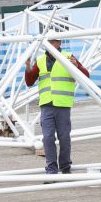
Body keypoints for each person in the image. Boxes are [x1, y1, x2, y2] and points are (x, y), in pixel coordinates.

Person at [23, 40, 88, 175]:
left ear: (59, 43)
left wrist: (76, 66)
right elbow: (30, 82)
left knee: (64, 137)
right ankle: (51, 168)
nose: (51, 45)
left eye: (53, 42)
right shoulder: (40, 60)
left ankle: (65, 167)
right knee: (47, 137)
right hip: (47, 104)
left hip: (63, 104)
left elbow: (85, 76)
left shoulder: (68, 57)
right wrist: (28, 69)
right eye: (49, 43)